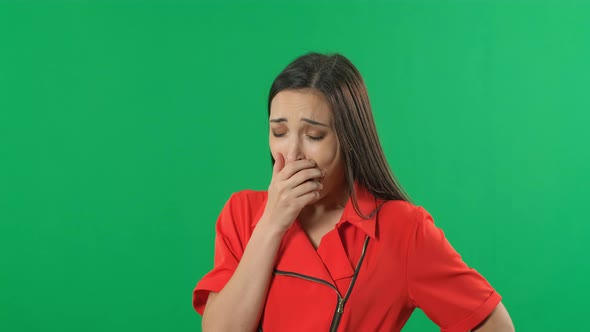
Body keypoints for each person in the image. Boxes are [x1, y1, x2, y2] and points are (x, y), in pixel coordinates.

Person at [192, 52, 514, 332]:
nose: (292, 154)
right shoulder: (243, 213)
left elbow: (493, 324)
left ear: (350, 139)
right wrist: (272, 224)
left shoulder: (401, 229)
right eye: (279, 132)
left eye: (314, 136)